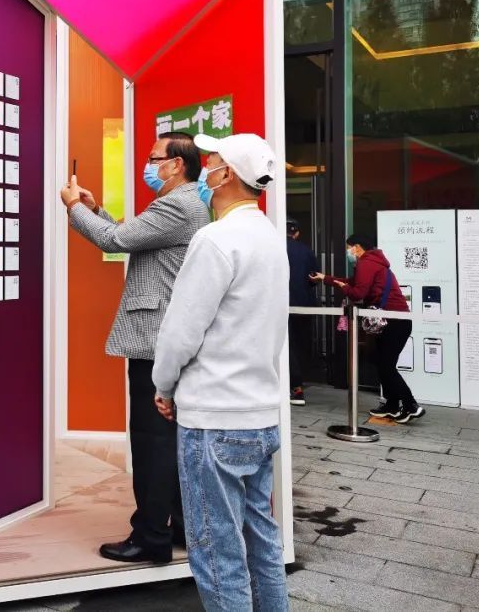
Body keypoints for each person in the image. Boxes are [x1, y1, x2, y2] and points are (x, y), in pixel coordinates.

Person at [152, 132, 289, 612]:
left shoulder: (215, 239)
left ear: (226, 174)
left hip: (214, 418)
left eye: (210, 163)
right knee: (262, 541)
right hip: (260, 414)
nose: (204, 170)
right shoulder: (270, 238)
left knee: (216, 552)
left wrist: (164, 385)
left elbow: (181, 331)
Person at [60, 131, 208, 564]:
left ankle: (150, 537)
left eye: (154, 158)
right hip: (164, 338)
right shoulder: (183, 204)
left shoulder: (177, 205)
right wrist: (93, 210)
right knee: (168, 441)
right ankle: (179, 528)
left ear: (176, 164)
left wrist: (72, 207)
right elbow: (129, 233)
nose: (149, 164)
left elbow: (116, 241)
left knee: (151, 442)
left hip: (154, 341)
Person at [311, 235, 425, 424]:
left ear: (357, 247)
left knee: (386, 366)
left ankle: (411, 405)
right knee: (381, 363)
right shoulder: (374, 262)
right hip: (396, 321)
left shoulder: (366, 263)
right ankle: (392, 405)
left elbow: (357, 293)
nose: (348, 252)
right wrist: (326, 278)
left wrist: (344, 288)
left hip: (393, 322)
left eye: (348, 248)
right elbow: (352, 281)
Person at [286, 218, 319, 406]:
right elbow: (314, 278)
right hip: (304, 305)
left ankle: (294, 386)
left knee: (286, 345)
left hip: (281, 304)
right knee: (300, 343)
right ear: (296, 233)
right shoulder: (306, 251)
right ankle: (299, 385)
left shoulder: (274, 248)